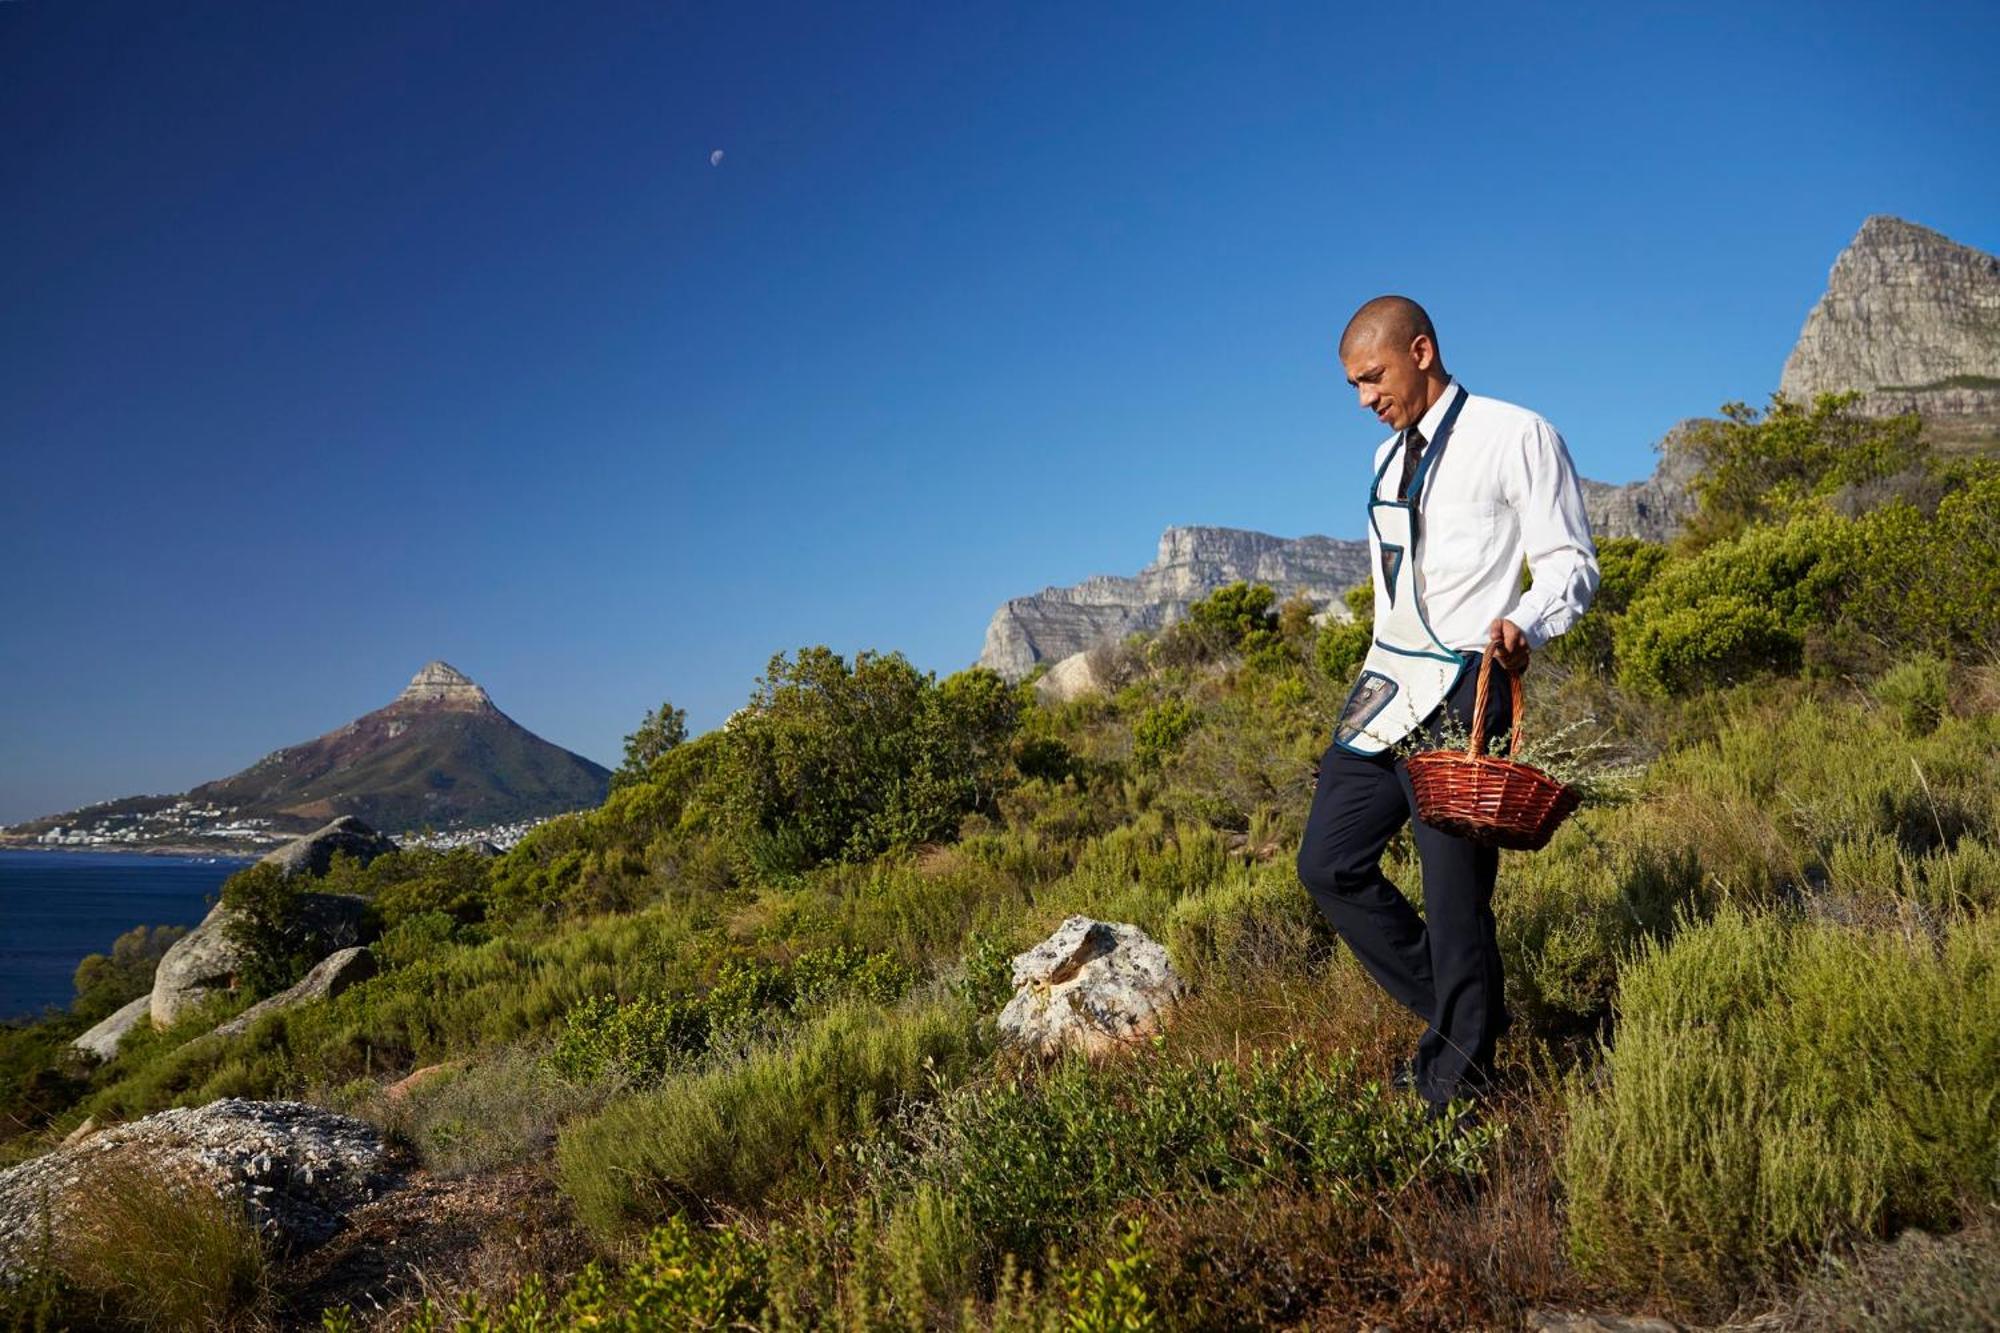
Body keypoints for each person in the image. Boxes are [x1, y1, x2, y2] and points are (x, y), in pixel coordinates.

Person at [1296, 295, 1598, 1116]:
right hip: (1385, 687)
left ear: (1420, 350)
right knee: (1327, 862)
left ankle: (1456, 1082)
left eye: (1372, 377)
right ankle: (1471, 1017)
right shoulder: (1383, 465)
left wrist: (1524, 621)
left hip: (1469, 682)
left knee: (1455, 896)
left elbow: (1572, 563)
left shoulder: (1516, 434)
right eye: (1353, 385)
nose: (1364, 398)